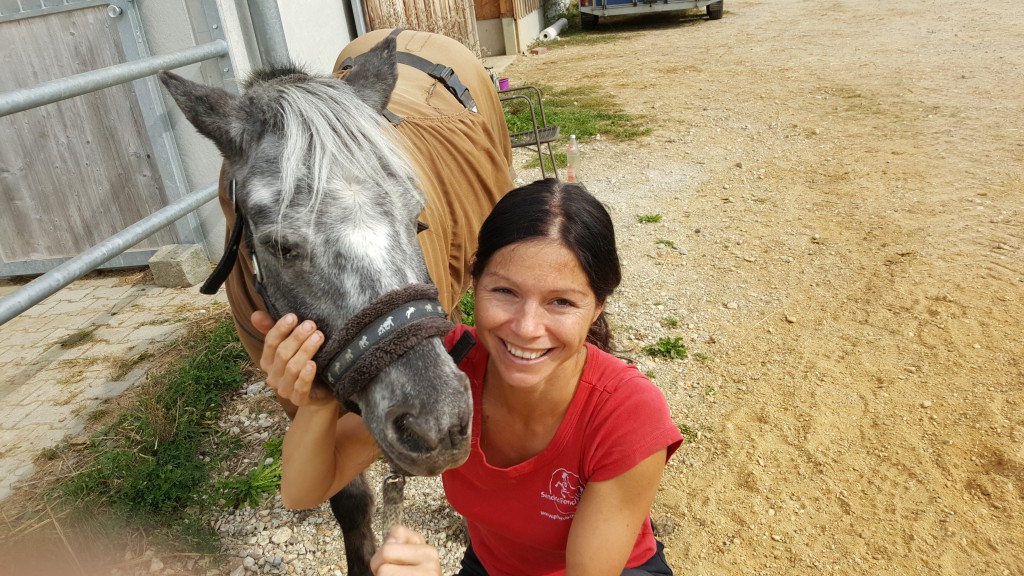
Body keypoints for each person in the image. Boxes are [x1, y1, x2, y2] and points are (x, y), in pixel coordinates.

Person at [252, 178, 684, 575]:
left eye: (561, 303)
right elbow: (303, 492)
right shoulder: (447, 365)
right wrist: (319, 400)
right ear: (473, 282)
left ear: (598, 306)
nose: (527, 328)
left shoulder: (627, 413)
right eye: (505, 292)